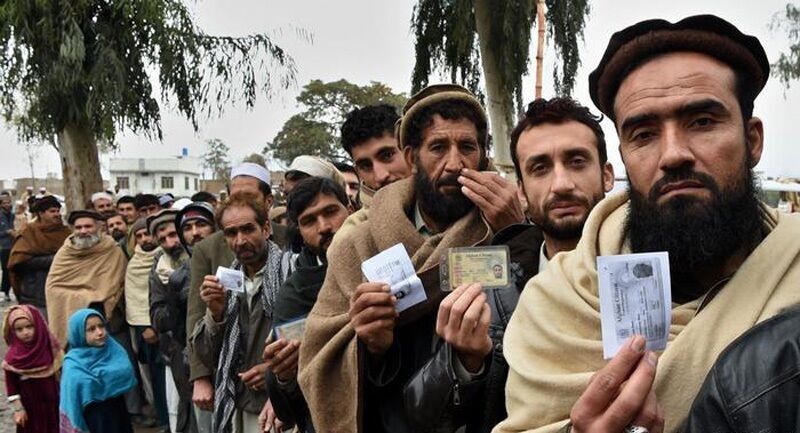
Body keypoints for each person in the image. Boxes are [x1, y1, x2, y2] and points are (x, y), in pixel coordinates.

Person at [494, 14, 800, 433]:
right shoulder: (553, 305)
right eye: (644, 134)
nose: (673, 154)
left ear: (753, 141)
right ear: (623, 156)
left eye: (702, 122)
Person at [298, 84, 523, 433]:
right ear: (411, 156)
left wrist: (516, 234)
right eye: (437, 148)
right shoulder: (357, 243)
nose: (454, 163)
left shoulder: (508, 224)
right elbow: (322, 358)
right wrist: (373, 347)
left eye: (467, 147)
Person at [186, 162, 286, 418]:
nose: (240, 241)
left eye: (248, 229)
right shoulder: (208, 249)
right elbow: (197, 318)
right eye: (231, 233)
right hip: (233, 385)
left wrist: (278, 372)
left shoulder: (291, 252)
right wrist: (201, 375)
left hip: (281, 390)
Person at [265, 177, 352, 432]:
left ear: (351, 209)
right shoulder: (293, 296)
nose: (324, 227)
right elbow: (290, 405)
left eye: (331, 212)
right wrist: (283, 375)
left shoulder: (380, 260)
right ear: (300, 232)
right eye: (309, 221)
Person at [151, 202, 216, 433]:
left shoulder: (235, 263)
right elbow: (168, 324)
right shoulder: (176, 277)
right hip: (192, 364)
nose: (195, 233)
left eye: (201, 224)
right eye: (187, 228)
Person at [45, 210, 126, 347]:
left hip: (109, 323)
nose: (83, 231)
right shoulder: (65, 253)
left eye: (88, 226)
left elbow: (117, 283)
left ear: (99, 228)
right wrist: (84, 297)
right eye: (78, 227)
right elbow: (52, 287)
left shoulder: (112, 250)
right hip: (74, 323)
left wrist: (94, 298)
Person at [60, 308, 137, 433]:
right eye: (91, 329)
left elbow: (125, 371)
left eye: (101, 326)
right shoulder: (73, 364)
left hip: (117, 412)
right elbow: (72, 397)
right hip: (94, 419)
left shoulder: (113, 349)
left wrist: (98, 379)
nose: (100, 332)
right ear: (78, 333)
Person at [8, 196, 71, 317]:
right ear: (41, 213)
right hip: (35, 292)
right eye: (52, 211)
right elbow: (18, 261)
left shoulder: (65, 232)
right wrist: (55, 259)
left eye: (58, 211)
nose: (57, 214)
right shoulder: (29, 232)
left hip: (63, 290)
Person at [3, 305, 61, 433]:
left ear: (38, 326)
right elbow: (11, 387)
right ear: (13, 331)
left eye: (30, 326)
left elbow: (60, 375)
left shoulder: (50, 350)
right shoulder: (13, 358)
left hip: (53, 405)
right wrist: (19, 409)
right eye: (19, 329)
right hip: (30, 408)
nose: (25, 332)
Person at [340, 104, 412, 206]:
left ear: (410, 151)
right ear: (358, 173)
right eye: (365, 166)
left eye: (387, 156)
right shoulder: (358, 222)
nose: (380, 176)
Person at [1, 193, 15, 302]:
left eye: (9, 202)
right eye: (5, 203)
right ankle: (6, 292)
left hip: (14, 245)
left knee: (15, 268)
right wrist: (6, 232)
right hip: (4, 246)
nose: (8, 204)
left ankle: (16, 289)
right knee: (6, 269)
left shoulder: (13, 215)